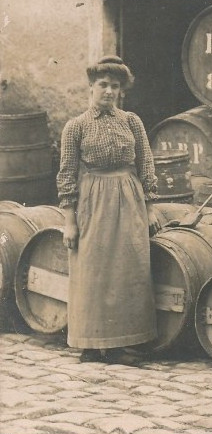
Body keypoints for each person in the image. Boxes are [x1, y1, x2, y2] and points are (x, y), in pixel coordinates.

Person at [57, 56, 160, 364]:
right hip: (92, 199)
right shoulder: (76, 127)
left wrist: (151, 207)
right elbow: (66, 175)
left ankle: (121, 344)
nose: (109, 91)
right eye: (103, 85)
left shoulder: (132, 122)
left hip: (129, 198)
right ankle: (90, 344)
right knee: (92, 270)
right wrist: (69, 222)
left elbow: (146, 164)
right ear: (91, 87)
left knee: (128, 269)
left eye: (115, 86)